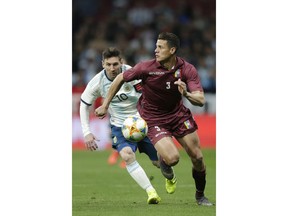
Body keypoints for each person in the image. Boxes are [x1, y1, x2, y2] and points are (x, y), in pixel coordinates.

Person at [95, 32, 214, 206]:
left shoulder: (187, 69)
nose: (155, 50)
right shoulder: (146, 67)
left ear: (172, 50)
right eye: (156, 46)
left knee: (197, 157)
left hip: (178, 115)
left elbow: (201, 100)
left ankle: (200, 195)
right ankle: (164, 161)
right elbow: (121, 77)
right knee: (173, 159)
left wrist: (186, 93)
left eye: (160, 47)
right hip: (153, 118)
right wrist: (105, 104)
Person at [79, 47, 162, 204]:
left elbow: (149, 93)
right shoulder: (96, 82)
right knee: (127, 155)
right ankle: (151, 192)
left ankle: (169, 176)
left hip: (143, 122)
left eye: (115, 64)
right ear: (103, 64)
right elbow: (84, 105)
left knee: (160, 162)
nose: (112, 68)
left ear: (121, 63)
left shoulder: (133, 74)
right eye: (108, 64)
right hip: (120, 125)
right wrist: (86, 132)